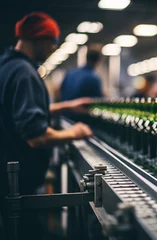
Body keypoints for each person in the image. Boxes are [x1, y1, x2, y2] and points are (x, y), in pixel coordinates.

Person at [0, 12, 93, 239]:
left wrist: (66, 106)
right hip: (19, 179)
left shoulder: (8, 65)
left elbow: (16, 112)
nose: (53, 48)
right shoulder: (24, 72)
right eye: (53, 42)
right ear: (38, 39)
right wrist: (75, 132)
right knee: (27, 232)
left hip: (8, 174)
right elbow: (36, 136)